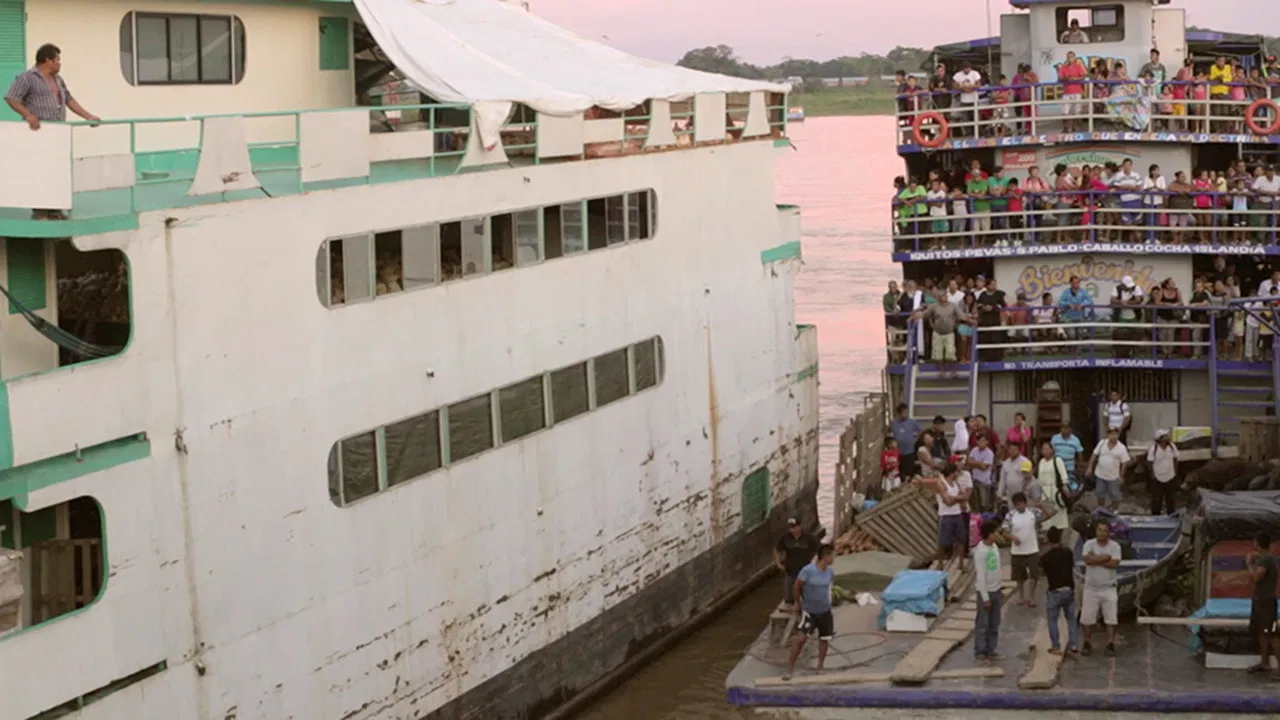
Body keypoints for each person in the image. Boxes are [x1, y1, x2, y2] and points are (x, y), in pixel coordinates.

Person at [3, 43, 101, 220]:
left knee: (57, 169)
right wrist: (28, 115)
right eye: (57, 60)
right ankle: (39, 209)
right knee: (40, 168)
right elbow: (11, 97)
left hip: (58, 131)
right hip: (39, 131)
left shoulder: (58, 79)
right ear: (48, 60)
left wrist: (88, 116)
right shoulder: (27, 78)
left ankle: (55, 207)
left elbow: (69, 100)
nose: (59, 64)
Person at [783, 544, 837, 680]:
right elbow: (797, 585)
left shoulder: (830, 572)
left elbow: (829, 588)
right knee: (801, 639)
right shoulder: (808, 571)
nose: (834, 558)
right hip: (809, 612)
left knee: (824, 639)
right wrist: (797, 602)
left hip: (825, 611)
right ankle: (789, 670)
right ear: (826, 556)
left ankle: (820, 667)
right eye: (833, 555)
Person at [1081, 520, 1122, 657]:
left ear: (1109, 532)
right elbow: (1087, 561)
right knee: (1087, 618)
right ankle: (1087, 642)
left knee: (1111, 619)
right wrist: (1105, 558)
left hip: (1108, 588)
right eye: (1100, 530)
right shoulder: (1088, 544)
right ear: (1096, 531)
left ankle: (1110, 643)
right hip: (1091, 588)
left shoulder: (1115, 546)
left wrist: (1095, 559)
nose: (1102, 533)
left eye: (1105, 530)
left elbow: (1114, 563)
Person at [1039, 526, 1080, 655]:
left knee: (1052, 620)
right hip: (1068, 589)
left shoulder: (1045, 557)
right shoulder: (1068, 552)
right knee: (1071, 619)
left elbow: (1040, 573)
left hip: (1054, 591)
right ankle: (1073, 644)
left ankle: (1056, 647)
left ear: (1048, 539)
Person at [1247, 532, 1279, 676]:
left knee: (1271, 634)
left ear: (1258, 543)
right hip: (1260, 600)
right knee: (1262, 632)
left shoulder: (1265, 560)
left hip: (1266, 601)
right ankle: (1264, 662)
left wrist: (1248, 564)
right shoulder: (1265, 559)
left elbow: (1255, 578)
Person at [973, 519, 1004, 663]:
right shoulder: (981, 552)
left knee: (994, 623)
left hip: (996, 589)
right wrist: (985, 597)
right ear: (989, 534)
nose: (998, 534)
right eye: (995, 532)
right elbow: (981, 576)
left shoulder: (994, 547)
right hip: (986, 592)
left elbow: (995, 569)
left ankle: (991, 649)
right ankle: (980, 651)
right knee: (983, 623)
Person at [1004, 492, 1042, 608]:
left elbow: (1050, 514)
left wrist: (1042, 506)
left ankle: (1031, 596)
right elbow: (1004, 531)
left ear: (1025, 503)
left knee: (1034, 574)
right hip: (1017, 551)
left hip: (1032, 549)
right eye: (1017, 504)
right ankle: (1020, 595)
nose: (1020, 506)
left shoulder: (1033, 513)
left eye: (1021, 504)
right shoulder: (1010, 515)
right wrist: (1012, 537)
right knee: (1019, 576)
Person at [930, 462, 969, 571]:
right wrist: (959, 498)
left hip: (957, 514)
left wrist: (955, 498)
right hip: (945, 515)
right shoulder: (941, 483)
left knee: (961, 540)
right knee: (943, 542)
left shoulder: (956, 483)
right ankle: (940, 564)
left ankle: (961, 564)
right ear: (952, 473)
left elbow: (964, 497)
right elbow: (947, 501)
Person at [774, 518, 819, 607]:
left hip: (805, 572)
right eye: (791, 528)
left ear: (800, 526)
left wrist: (814, 563)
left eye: (795, 527)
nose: (793, 530)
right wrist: (778, 563)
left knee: (808, 596)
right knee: (789, 598)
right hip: (791, 572)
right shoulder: (786, 538)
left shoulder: (809, 537)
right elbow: (776, 549)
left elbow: (819, 549)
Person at [1087, 427, 1131, 510]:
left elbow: (1124, 462)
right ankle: (1101, 510)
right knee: (1100, 494)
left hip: (1113, 477)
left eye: (1115, 434)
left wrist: (1121, 476)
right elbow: (1094, 455)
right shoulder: (1102, 443)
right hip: (1100, 474)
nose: (1114, 436)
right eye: (1111, 434)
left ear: (1118, 435)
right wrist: (1089, 467)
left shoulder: (1121, 447)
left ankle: (1115, 511)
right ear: (1108, 435)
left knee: (1115, 496)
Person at [1147, 429, 1179, 515]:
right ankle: (1155, 517)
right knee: (1157, 499)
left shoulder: (1172, 447)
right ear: (1159, 438)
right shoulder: (1153, 449)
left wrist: (1175, 472)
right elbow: (1150, 462)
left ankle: (1171, 516)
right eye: (1164, 436)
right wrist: (1153, 475)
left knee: (1171, 499)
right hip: (1158, 478)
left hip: (1170, 477)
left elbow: (1175, 459)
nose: (1167, 438)